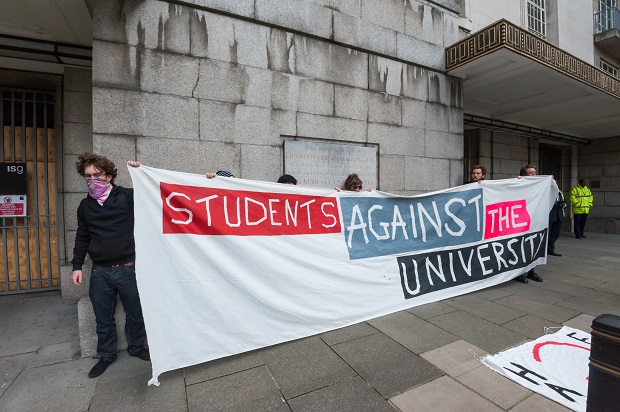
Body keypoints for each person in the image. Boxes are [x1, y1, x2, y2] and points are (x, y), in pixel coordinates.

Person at [71, 153, 150, 379]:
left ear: (109, 175)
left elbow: (155, 194)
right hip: (100, 271)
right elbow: (82, 237)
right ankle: (106, 355)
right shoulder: (85, 206)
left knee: (135, 313)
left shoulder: (126, 197)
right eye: (88, 176)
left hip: (128, 268)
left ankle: (136, 347)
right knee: (103, 317)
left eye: (97, 175)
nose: (92, 179)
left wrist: (141, 172)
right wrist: (77, 265)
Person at [514, 164, 543, 283]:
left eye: (534, 172)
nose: (533, 175)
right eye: (529, 173)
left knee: (533, 246)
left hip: (535, 221)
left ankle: (531, 271)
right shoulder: (518, 184)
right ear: (523, 175)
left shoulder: (540, 186)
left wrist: (550, 182)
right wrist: (516, 182)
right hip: (520, 221)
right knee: (520, 247)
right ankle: (518, 273)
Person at [548, 180, 566, 256]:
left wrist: (564, 205)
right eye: (554, 183)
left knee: (556, 234)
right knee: (548, 235)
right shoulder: (547, 192)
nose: (556, 185)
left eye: (557, 183)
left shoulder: (560, 192)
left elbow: (564, 201)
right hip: (550, 216)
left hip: (559, 216)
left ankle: (550, 249)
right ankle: (548, 250)